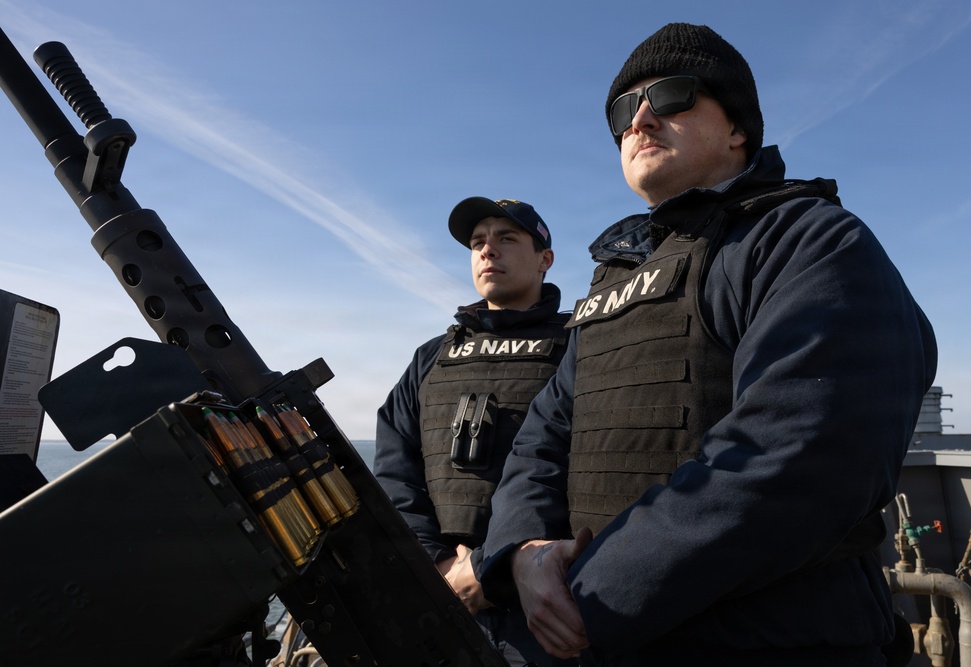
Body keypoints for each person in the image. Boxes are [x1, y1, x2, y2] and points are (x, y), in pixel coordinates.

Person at [479, 23, 937, 666]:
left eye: (669, 96)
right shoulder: (616, 284)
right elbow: (545, 436)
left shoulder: (809, 243)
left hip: (768, 643)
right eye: (621, 110)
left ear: (737, 129)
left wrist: (587, 595)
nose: (639, 118)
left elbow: (802, 455)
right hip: (600, 640)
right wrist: (522, 553)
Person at [374, 197, 576, 666]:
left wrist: (495, 570)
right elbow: (394, 471)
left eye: (507, 238)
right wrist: (439, 567)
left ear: (545, 258)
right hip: (443, 599)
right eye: (478, 242)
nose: (488, 251)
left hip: (544, 604)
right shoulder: (431, 357)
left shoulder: (582, 343)